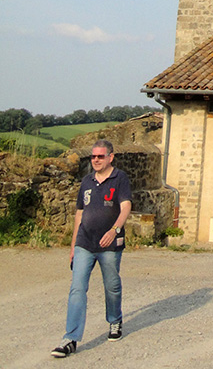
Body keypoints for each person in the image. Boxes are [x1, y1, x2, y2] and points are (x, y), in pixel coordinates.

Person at [51, 140, 132, 358]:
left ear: (110, 157)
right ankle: (70, 338)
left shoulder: (119, 178)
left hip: (109, 246)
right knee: (77, 289)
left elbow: (126, 206)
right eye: (93, 157)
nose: (96, 160)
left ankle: (115, 321)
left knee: (112, 286)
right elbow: (79, 213)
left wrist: (114, 230)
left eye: (100, 156)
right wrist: (72, 246)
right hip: (84, 243)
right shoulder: (86, 181)